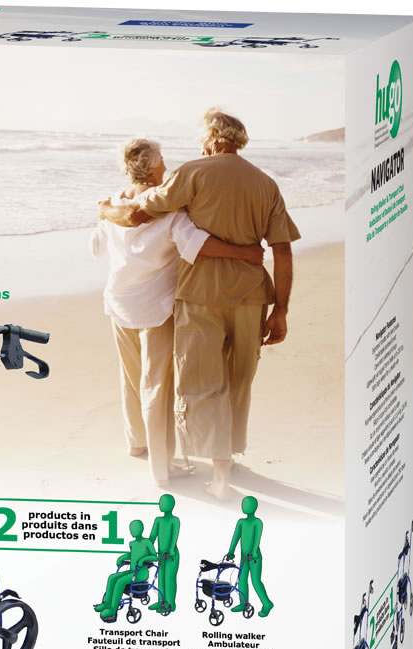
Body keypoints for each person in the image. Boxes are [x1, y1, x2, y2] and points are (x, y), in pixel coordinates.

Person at [99, 111, 301, 498]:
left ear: (214, 137)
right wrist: (281, 310)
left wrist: (105, 210)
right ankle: (227, 457)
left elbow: (138, 213)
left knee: (203, 382)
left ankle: (219, 471)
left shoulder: (191, 173)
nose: (199, 145)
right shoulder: (266, 184)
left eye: (201, 137)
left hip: (199, 296)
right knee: (238, 380)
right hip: (251, 297)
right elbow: (283, 251)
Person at [94, 519, 157, 622]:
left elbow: (155, 557)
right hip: (133, 571)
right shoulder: (132, 543)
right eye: (131, 528)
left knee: (120, 581)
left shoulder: (147, 542)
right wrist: (122, 557)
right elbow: (132, 555)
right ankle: (107, 603)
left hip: (141, 573)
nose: (132, 530)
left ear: (141, 529)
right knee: (112, 577)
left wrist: (143, 560)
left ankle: (112, 610)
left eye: (135, 528)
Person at [226, 495, 274, 617]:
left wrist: (254, 552)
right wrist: (231, 551)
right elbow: (235, 538)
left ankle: (267, 603)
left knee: (255, 581)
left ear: (254, 507)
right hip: (243, 557)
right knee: (241, 579)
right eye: (243, 504)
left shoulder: (258, 522)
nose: (244, 506)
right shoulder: (241, 522)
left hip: (254, 558)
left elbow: (257, 539)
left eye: (247, 504)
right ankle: (243, 603)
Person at [148, 493, 180, 611]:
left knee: (169, 578)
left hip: (172, 555)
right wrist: (146, 548)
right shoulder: (158, 520)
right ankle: (161, 601)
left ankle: (170, 603)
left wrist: (171, 549)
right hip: (161, 555)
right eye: (160, 502)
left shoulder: (175, 520)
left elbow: (174, 536)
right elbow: (152, 537)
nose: (160, 504)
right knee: (161, 577)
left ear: (171, 505)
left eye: (163, 502)